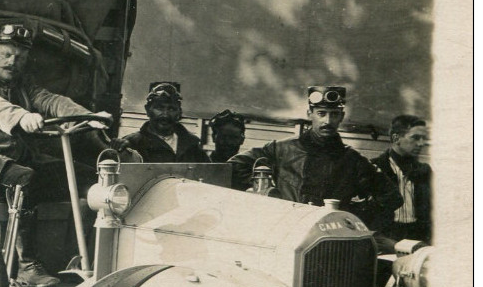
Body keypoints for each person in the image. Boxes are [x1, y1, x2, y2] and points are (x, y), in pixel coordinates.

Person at [0, 23, 114, 287]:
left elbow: (50, 100)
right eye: (6, 54)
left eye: (20, 57)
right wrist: (21, 117)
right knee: (24, 179)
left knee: (89, 179)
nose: (13, 62)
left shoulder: (23, 84)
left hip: (20, 155)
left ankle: (81, 257)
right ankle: (27, 266)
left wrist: (87, 116)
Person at [228, 86, 401, 229]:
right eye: (321, 113)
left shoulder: (352, 159)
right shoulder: (280, 149)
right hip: (285, 228)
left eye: (334, 114)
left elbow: (392, 197)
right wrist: (266, 194)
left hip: (329, 234)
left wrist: (353, 214)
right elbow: (234, 167)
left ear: (341, 117)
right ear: (309, 114)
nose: (327, 121)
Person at [371, 115, 431, 243]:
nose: (421, 143)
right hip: (385, 238)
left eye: (423, 138)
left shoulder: (425, 172)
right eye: (415, 138)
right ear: (396, 138)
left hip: (418, 238)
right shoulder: (373, 169)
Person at [114, 82, 209, 162]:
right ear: (147, 110)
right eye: (159, 108)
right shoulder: (133, 144)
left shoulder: (191, 144)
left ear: (179, 112)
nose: (165, 115)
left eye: (171, 109)